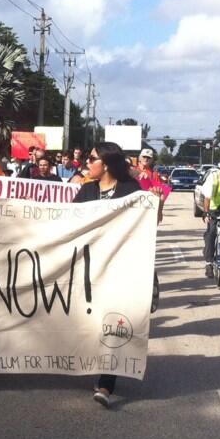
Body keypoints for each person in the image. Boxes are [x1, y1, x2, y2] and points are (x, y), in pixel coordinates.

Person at [73, 142, 142, 408]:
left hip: (118, 267)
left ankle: (106, 382)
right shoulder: (86, 190)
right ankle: (92, 364)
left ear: (106, 164)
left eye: (92, 159)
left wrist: (156, 206)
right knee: (90, 321)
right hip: (88, 266)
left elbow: (144, 226)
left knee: (111, 322)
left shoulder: (130, 191)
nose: (87, 163)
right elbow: (69, 222)